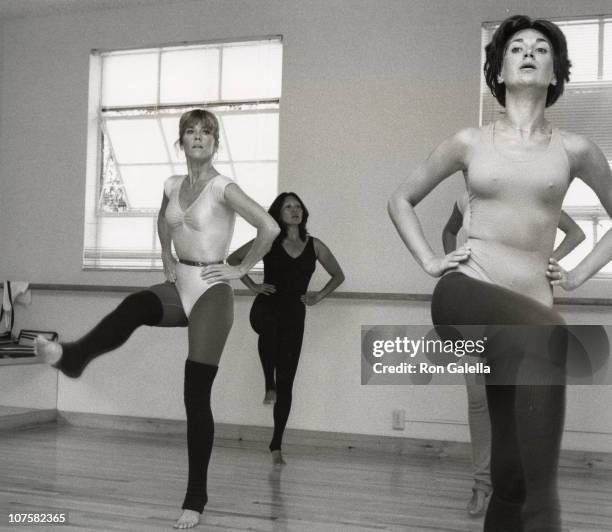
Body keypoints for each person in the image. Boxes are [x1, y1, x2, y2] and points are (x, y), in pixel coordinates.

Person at [388, 15, 612, 532]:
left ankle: (523, 507)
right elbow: (401, 197)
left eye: (541, 48)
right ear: (499, 69)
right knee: (549, 334)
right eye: (516, 48)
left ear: (556, 73)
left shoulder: (576, 150)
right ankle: (547, 517)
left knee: (510, 476)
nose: (529, 52)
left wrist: (577, 276)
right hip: (466, 295)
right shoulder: (470, 141)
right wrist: (428, 259)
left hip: (526, 323)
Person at [35, 109, 280, 530]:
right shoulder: (171, 184)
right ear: (180, 142)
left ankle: (195, 499)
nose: (198, 137)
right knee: (134, 306)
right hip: (179, 283)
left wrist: (241, 270)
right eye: (190, 131)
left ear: (215, 142)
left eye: (206, 132)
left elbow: (269, 227)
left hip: (212, 291)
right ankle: (74, 358)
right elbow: (163, 220)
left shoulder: (224, 187)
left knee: (194, 394)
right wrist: (165, 255)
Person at [442, 192, 585, 517]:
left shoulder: (532, 192)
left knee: (521, 403)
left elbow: (576, 233)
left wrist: (549, 261)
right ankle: (481, 485)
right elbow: (448, 233)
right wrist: (455, 270)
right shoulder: (465, 200)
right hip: (478, 309)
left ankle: (520, 486)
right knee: (479, 399)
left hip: (525, 307)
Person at [227, 192, 345, 466]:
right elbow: (234, 260)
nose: (294, 210)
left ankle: (276, 444)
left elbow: (339, 275)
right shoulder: (267, 241)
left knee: (288, 381)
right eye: (288, 207)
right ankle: (269, 382)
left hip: (294, 314)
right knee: (269, 328)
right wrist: (254, 285)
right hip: (266, 307)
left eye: (298, 206)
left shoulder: (315, 246)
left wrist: (318, 295)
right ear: (277, 213)